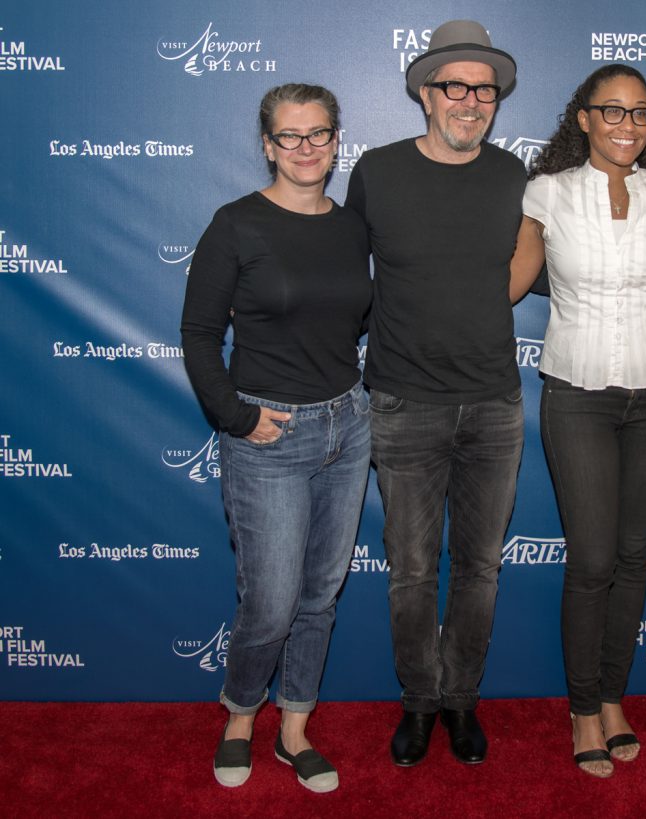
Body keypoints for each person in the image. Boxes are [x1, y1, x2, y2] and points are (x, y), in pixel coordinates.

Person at [509, 64, 646, 778]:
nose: (628, 125)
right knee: (592, 561)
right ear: (584, 118)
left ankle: (616, 696)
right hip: (578, 394)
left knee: (632, 556)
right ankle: (583, 707)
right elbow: (508, 284)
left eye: (641, 113)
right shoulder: (547, 193)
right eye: (612, 111)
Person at [181, 83, 372, 792]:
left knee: (320, 592)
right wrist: (237, 417)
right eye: (289, 136)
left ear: (335, 140)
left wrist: (356, 407)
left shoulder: (351, 226)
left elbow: (353, 322)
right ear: (267, 144)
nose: (305, 148)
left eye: (319, 133)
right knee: (269, 599)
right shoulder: (235, 224)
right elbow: (199, 334)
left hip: (348, 425)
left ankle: (294, 726)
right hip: (269, 434)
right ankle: (240, 714)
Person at [344, 20, 525, 767]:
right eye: (456, 85)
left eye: (484, 89)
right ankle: (419, 702)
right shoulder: (377, 172)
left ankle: (462, 700)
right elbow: (340, 279)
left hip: (493, 405)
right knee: (413, 571)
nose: (471, 100)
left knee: (480, 569)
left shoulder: (517, 176)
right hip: (402, 402)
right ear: (425, 93)